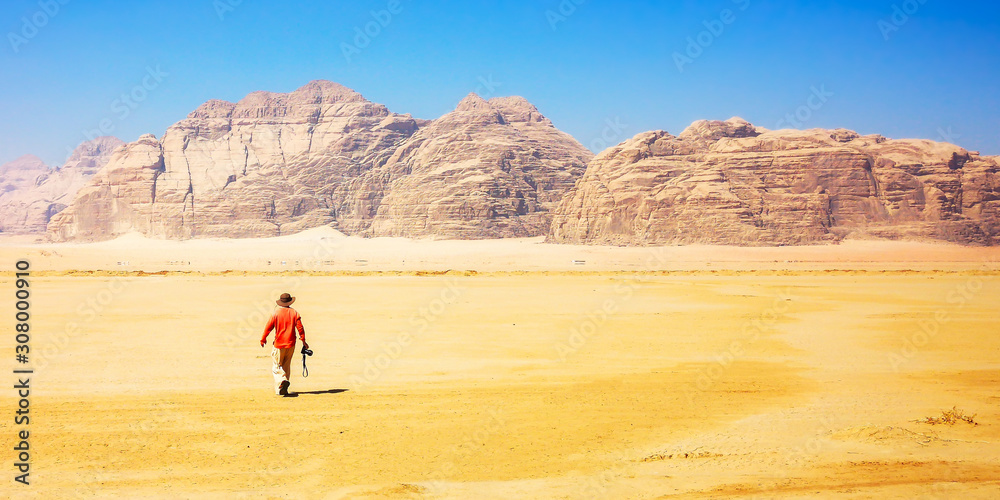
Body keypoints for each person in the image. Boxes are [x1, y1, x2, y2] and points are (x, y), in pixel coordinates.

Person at [261, 293, 308, 396]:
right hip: (291, 344)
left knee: (277, 367)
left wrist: (263, 338)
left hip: (279, 344)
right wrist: (303, 340)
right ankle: (282, 389)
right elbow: (300, 328)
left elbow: (268, 327)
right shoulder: (294, 313)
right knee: (286, 366)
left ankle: (282, 381)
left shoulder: (276, 313)